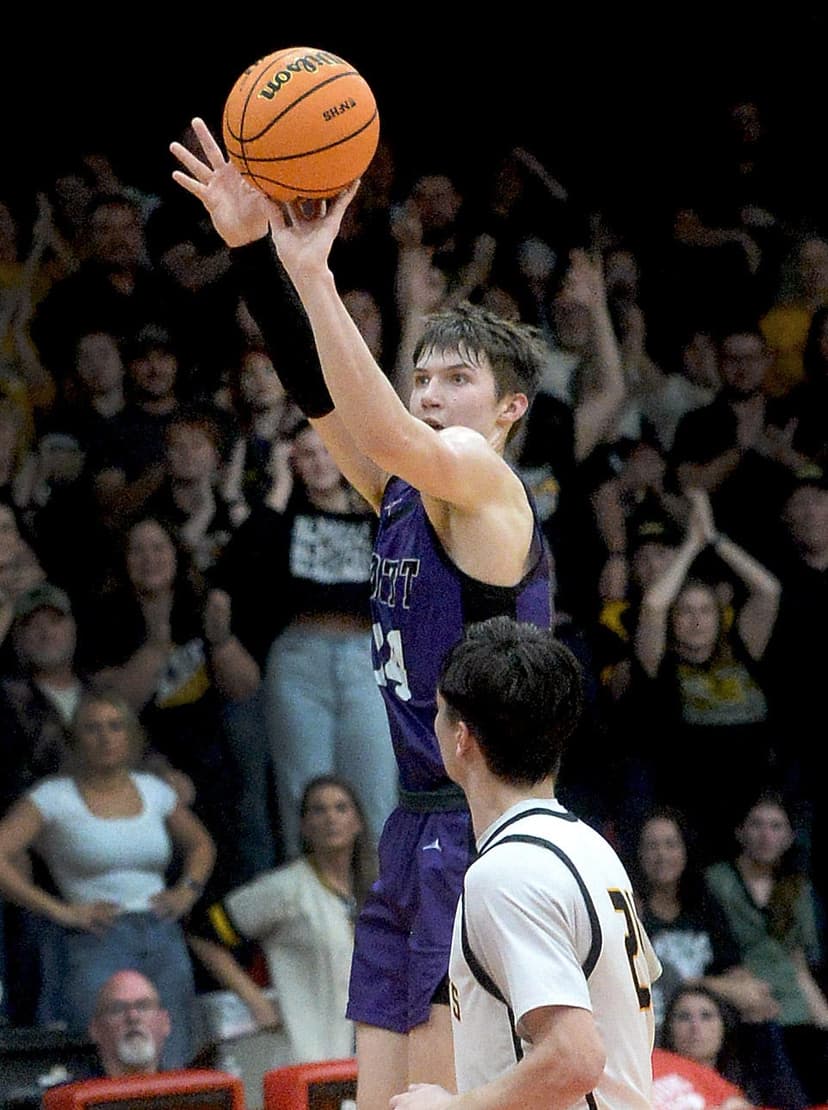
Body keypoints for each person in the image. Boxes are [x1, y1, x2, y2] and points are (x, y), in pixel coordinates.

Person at [170, 119, 554, 1110]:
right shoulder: (402, 491)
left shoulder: (486, 485)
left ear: (510, 408)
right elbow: (319, 396)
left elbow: (382, 426)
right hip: (413, 823)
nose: (431, 394)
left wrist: (315, 274)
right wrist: (255, 252)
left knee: (440, 1100)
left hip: (484, 830)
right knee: (380, 1100)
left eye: (457, 380)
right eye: (422, 377)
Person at [389, 615, 660, 1110]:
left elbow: (574, 1058)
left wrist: (450, 1108)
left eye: (439, 712)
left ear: (461, 738)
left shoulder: (507, 872)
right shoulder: (589, 845)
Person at [0, 689, 215, 1068]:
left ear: (131, 735)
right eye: (92, 728)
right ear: (75, 739)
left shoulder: (154, 791)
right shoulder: (53, 796)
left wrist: (188, 889)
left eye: (115, 727)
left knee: (173, 1048)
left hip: (161, 931)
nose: (105, 737)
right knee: (102, 1054)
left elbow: (201, 844)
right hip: (95, 936)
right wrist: (59, 910)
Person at [188, 774, 376, 1065]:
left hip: (365, 1055)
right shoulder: (286, 888)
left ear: (358, 822)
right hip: (307, 1055)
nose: (331, 818)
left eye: (341, 808)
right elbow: (203, 934)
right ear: (304, 825)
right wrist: (256, 1001)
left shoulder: (375, 891)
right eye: (318, 810)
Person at [705, 790, 828, 1106]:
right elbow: (720, 949)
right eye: (757, 824)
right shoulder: (717, 880)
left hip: (796, 1004)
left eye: (776, 826)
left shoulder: (797, 886)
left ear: (789, 837)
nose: (766, 835)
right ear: (740, 831)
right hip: (745, 998)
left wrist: (821, 1011)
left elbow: (802, 959)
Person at [87, 970, 172, 1078]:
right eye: (118, 1009)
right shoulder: (74, 1088)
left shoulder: (187, 1086)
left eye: (143, 1006)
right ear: (95, 1029)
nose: (133, 1017)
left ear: (165, 1023)